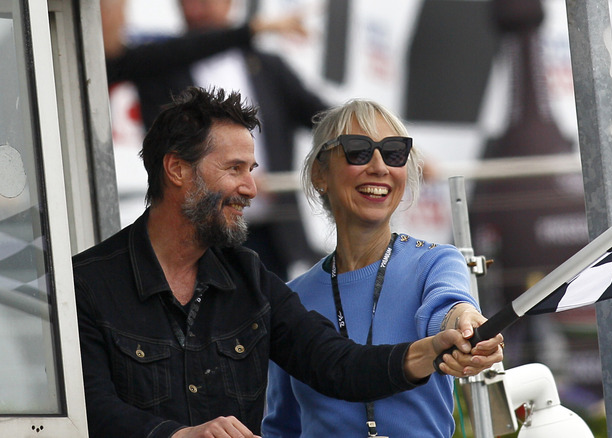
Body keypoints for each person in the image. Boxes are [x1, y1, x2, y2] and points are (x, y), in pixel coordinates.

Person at [72, 87, 503, 438]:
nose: (251, 187)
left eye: (394, 153)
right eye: (235, 168)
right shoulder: (89, 283)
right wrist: (179, 436)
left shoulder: (252, 281)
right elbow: (89, 411)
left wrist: (439, 343)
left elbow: (339, 365)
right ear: (177, 170)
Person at [262, 99, 503, 437]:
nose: (379, 167)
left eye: (394, 153)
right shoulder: (292, 296)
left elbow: (447, 305)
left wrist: (465, 324)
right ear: (320, 174)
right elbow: (281, 426)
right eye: (357, 150)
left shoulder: (435, 261)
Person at [133, 0, 326, 280]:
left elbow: (323, 118)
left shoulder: (267, 66)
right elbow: (163, 146)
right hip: (201, 230)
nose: (196, 6)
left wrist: (376, 143)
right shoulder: (161, 67)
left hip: (270, 234)